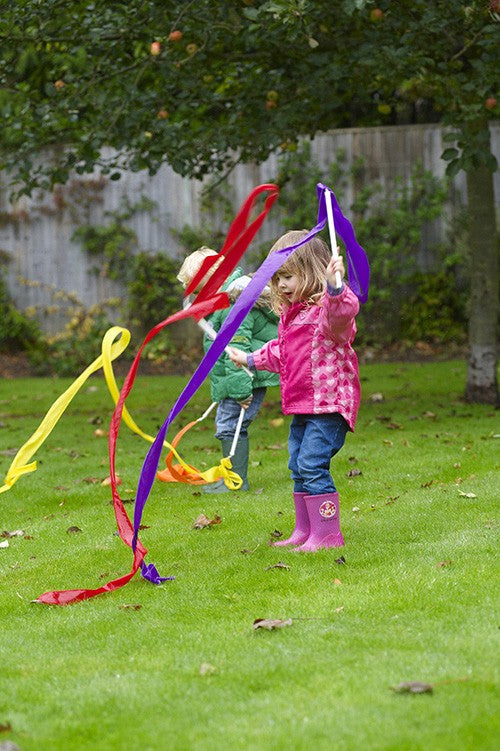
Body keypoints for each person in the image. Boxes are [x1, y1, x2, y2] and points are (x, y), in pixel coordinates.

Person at [228, 230, 361, 550]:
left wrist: (335, 288)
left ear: (313, 271)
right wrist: (249, 358)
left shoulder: (327, 312)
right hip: (303, 405)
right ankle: (306, 530)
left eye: (288, 276)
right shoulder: (293, 314)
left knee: (312, 464)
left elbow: (343, 315)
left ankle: (328, 535)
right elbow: (282, 352)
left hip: (328, 406)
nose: (282, 285)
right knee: (298, 466)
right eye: (277, 279)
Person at [177, 246, 280, 493]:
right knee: (228, 424)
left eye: (200, 289)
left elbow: (236, 349)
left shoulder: (236, 304)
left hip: (246, 377)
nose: (198, 296)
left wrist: (240, 391)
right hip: (239, 377)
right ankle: (231, 479)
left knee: (230, 426)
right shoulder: (227, 300)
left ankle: (237, 481)